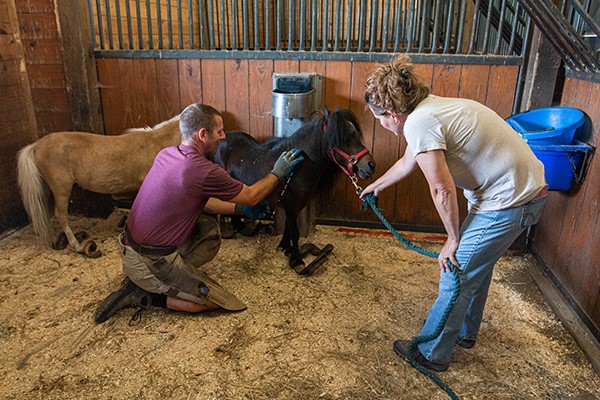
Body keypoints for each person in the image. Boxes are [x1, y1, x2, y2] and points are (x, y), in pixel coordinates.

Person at [361, 55, 548, 371]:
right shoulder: (430, 109)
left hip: (509, 200)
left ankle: (431, 353)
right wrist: (377, 185)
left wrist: (452, 238)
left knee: (457, 269)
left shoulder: (420, 122)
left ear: (391, 115)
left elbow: (442, 189)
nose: (380, 124)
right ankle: (463, 332)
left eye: (378, 118)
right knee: (476, 267)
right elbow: (409, 161)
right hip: (519, 195)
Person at [95, 103, 304, 323]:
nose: (223, 137)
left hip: (129, 248)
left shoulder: (167, 154)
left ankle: (158, 279)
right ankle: (144, 295)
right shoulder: (202, 170)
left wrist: (239, 209)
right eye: (219, 131)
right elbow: (252, 195)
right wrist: (277, 172)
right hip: (149, 260)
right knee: (216, 302)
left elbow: (200, 202)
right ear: (203, 134)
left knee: (209, 231)